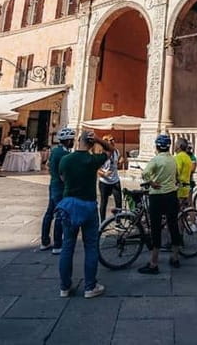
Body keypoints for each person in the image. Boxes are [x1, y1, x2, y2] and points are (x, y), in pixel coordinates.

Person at [56, 130, 113, 299]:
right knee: (90, 247)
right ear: (91, 144)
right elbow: (111, 150)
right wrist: (98, 140)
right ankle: (90, 286)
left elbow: (62, 178)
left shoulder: (66, 160)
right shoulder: (92, 160)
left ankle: (64, 287)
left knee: (67, 246)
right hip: (88, 205)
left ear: (77, 142)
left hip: (69, 204)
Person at [138, 134, 182, 274]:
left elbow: (145, 174)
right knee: (173, 225)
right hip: (171, 195)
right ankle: (175, 257)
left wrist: (152, 182)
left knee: (156, 229)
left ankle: (154, 263)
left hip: (157, 196)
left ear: (157, 146)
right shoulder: (173, 160)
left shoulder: (155, 160)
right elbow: (177, 177)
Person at [40, 128, 74, 254]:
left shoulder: (54, 151)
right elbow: (64, 174)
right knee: (60, 215)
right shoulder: (65, 155)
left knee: (49, 213)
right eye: (72, 139)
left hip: (53, 185)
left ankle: (45, 241)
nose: (73, 141)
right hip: (61, 187)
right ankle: (58, 244)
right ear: (68, 140)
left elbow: (48, 166)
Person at [97, 135, 122, 222]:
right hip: (104, 182)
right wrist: (104, 174)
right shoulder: (101, 154)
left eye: (113, 140)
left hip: (115, 181)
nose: (112, 142)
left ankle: (118, 221)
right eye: (110, 141)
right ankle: (103, 222)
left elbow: (119, 159)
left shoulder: (116, 151)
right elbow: (97, 169)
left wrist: (120, 161)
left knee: (119, 202)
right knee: (104, 202)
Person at [175, 138, 193, 208]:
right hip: (186, 188)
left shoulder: (179, 157)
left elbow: (176, 172)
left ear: (179, 146)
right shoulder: (188, 157)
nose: (175, 146)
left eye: (176, 145)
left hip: (179, 189)